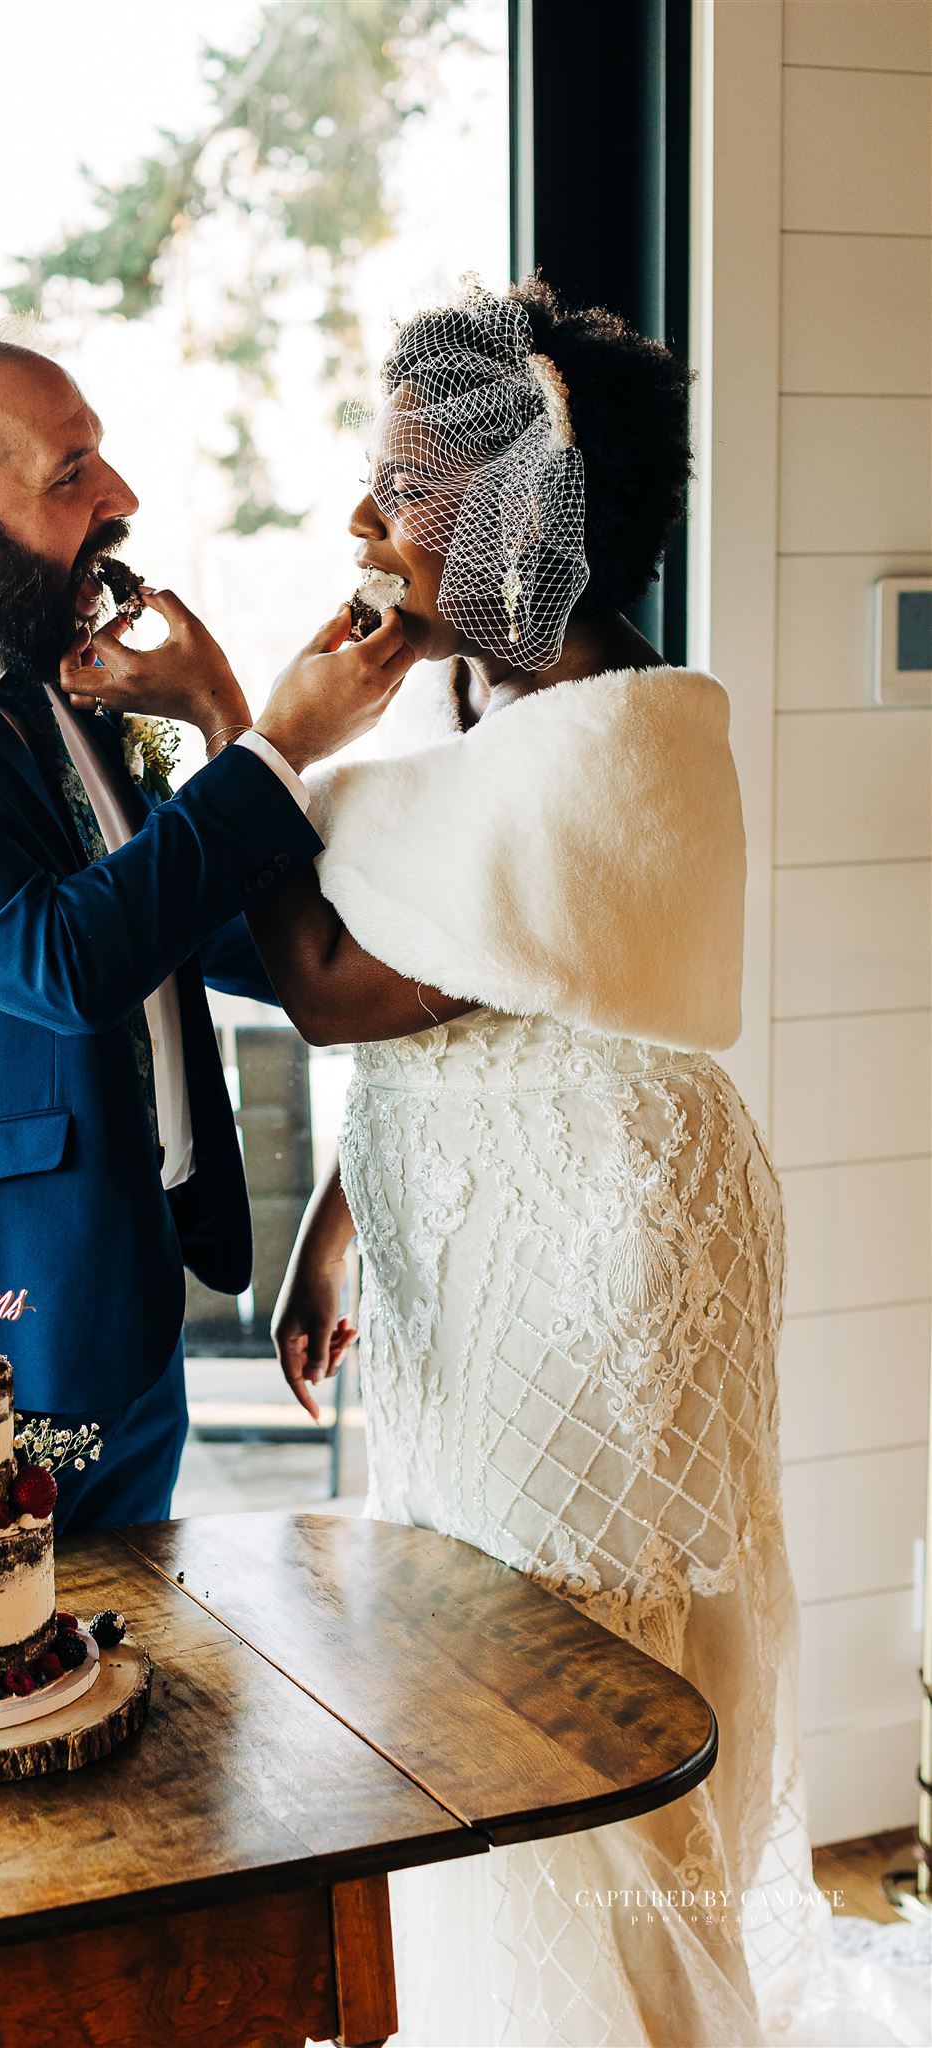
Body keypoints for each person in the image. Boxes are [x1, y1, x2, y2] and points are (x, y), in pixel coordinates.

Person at [244, 278, 930, 2044]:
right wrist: (339, 1218)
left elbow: (333, 982)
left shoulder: (630, 730)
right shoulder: (468, 703)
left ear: (521, 507)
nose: (365, 514)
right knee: (471, 1656)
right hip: (480, 1231)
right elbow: (447, 991)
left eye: (407, 480)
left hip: (600, 1248)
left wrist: (232, 726)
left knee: (572, 1667)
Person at [0, 320, 418, 1534]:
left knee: (136, 1645)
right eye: (71, 473)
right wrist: (274, 744)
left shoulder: (67, 688)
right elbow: (66, 960)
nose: (122, 496)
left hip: (131, 1297)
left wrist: (433, 943)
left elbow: (193, 926)